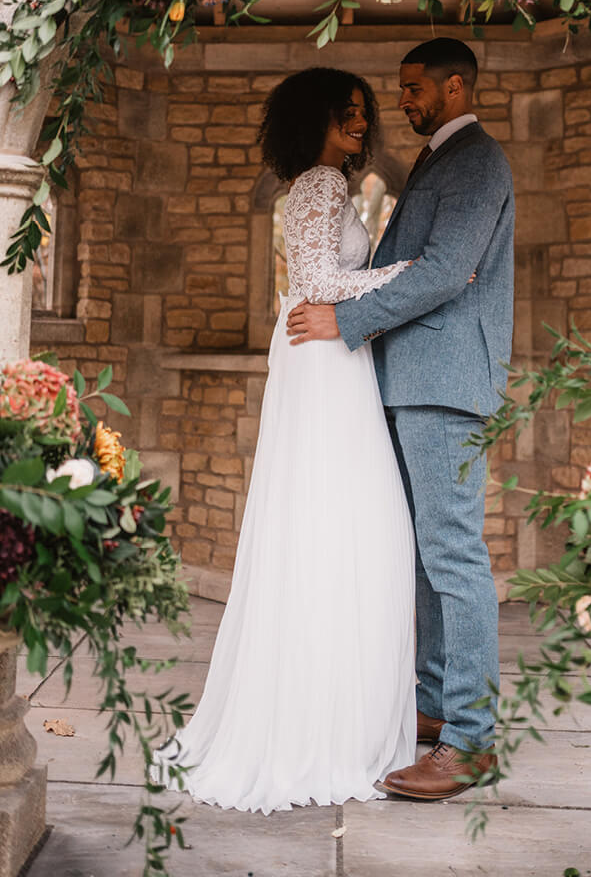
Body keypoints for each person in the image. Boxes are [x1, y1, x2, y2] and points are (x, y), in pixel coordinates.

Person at [154, 67, 417, 815]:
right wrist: (410, 273)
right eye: (345, 113)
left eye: (362, 113)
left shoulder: (318, 183)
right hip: (325, 357)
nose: (359, 124)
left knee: (327, 519)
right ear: (314, 120)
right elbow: (318, 283)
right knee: (346, 519)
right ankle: (328, 722)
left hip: (324, 355)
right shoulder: (321, 184)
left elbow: (313, 284)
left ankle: (324, 708)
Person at [287, 37, 515, 799]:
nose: (402, 102)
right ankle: (435, 704)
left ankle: (471, 740)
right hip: (409, 378)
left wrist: (346, 321)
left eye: (414, 88)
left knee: (453, 555)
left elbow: (446, 271)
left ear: (456, 87)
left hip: (445, 382)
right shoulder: (435, 160)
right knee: (423, 557)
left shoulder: (476, 159)